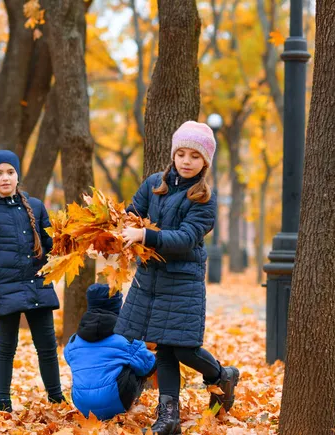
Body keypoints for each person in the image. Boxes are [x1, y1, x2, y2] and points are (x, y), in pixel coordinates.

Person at [116, 121, 240, 434]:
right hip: (151, 278)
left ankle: (221, 374)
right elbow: (133, 213)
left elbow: (186, 238)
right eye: (181, 153)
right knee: (164, 346)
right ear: (173, 155)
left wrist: (144, 235)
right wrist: (115, 231)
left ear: (205, 163)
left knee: (183, 347)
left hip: (183, 279)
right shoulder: (153, 184)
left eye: (194, 156)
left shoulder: (204, 198)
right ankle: (168, 417)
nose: (186, 161)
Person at [0, 150, 65, 414]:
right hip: (4, 287)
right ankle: (2, 403)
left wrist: (66, 242)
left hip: (37, 284)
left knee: (47, 347)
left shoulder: (35, 206)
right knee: (5, 348)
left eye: (10, 172)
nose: (5, 178)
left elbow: (50, 245)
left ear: (17, 175)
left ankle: (56, 398)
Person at [64, 283, 156, 421]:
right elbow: (148, 366)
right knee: (138, 364)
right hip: (117, 402)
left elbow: (69, 358)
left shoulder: (73, 340)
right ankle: (131, 403)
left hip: (83, 407)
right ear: (117, 305)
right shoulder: (126, 337)